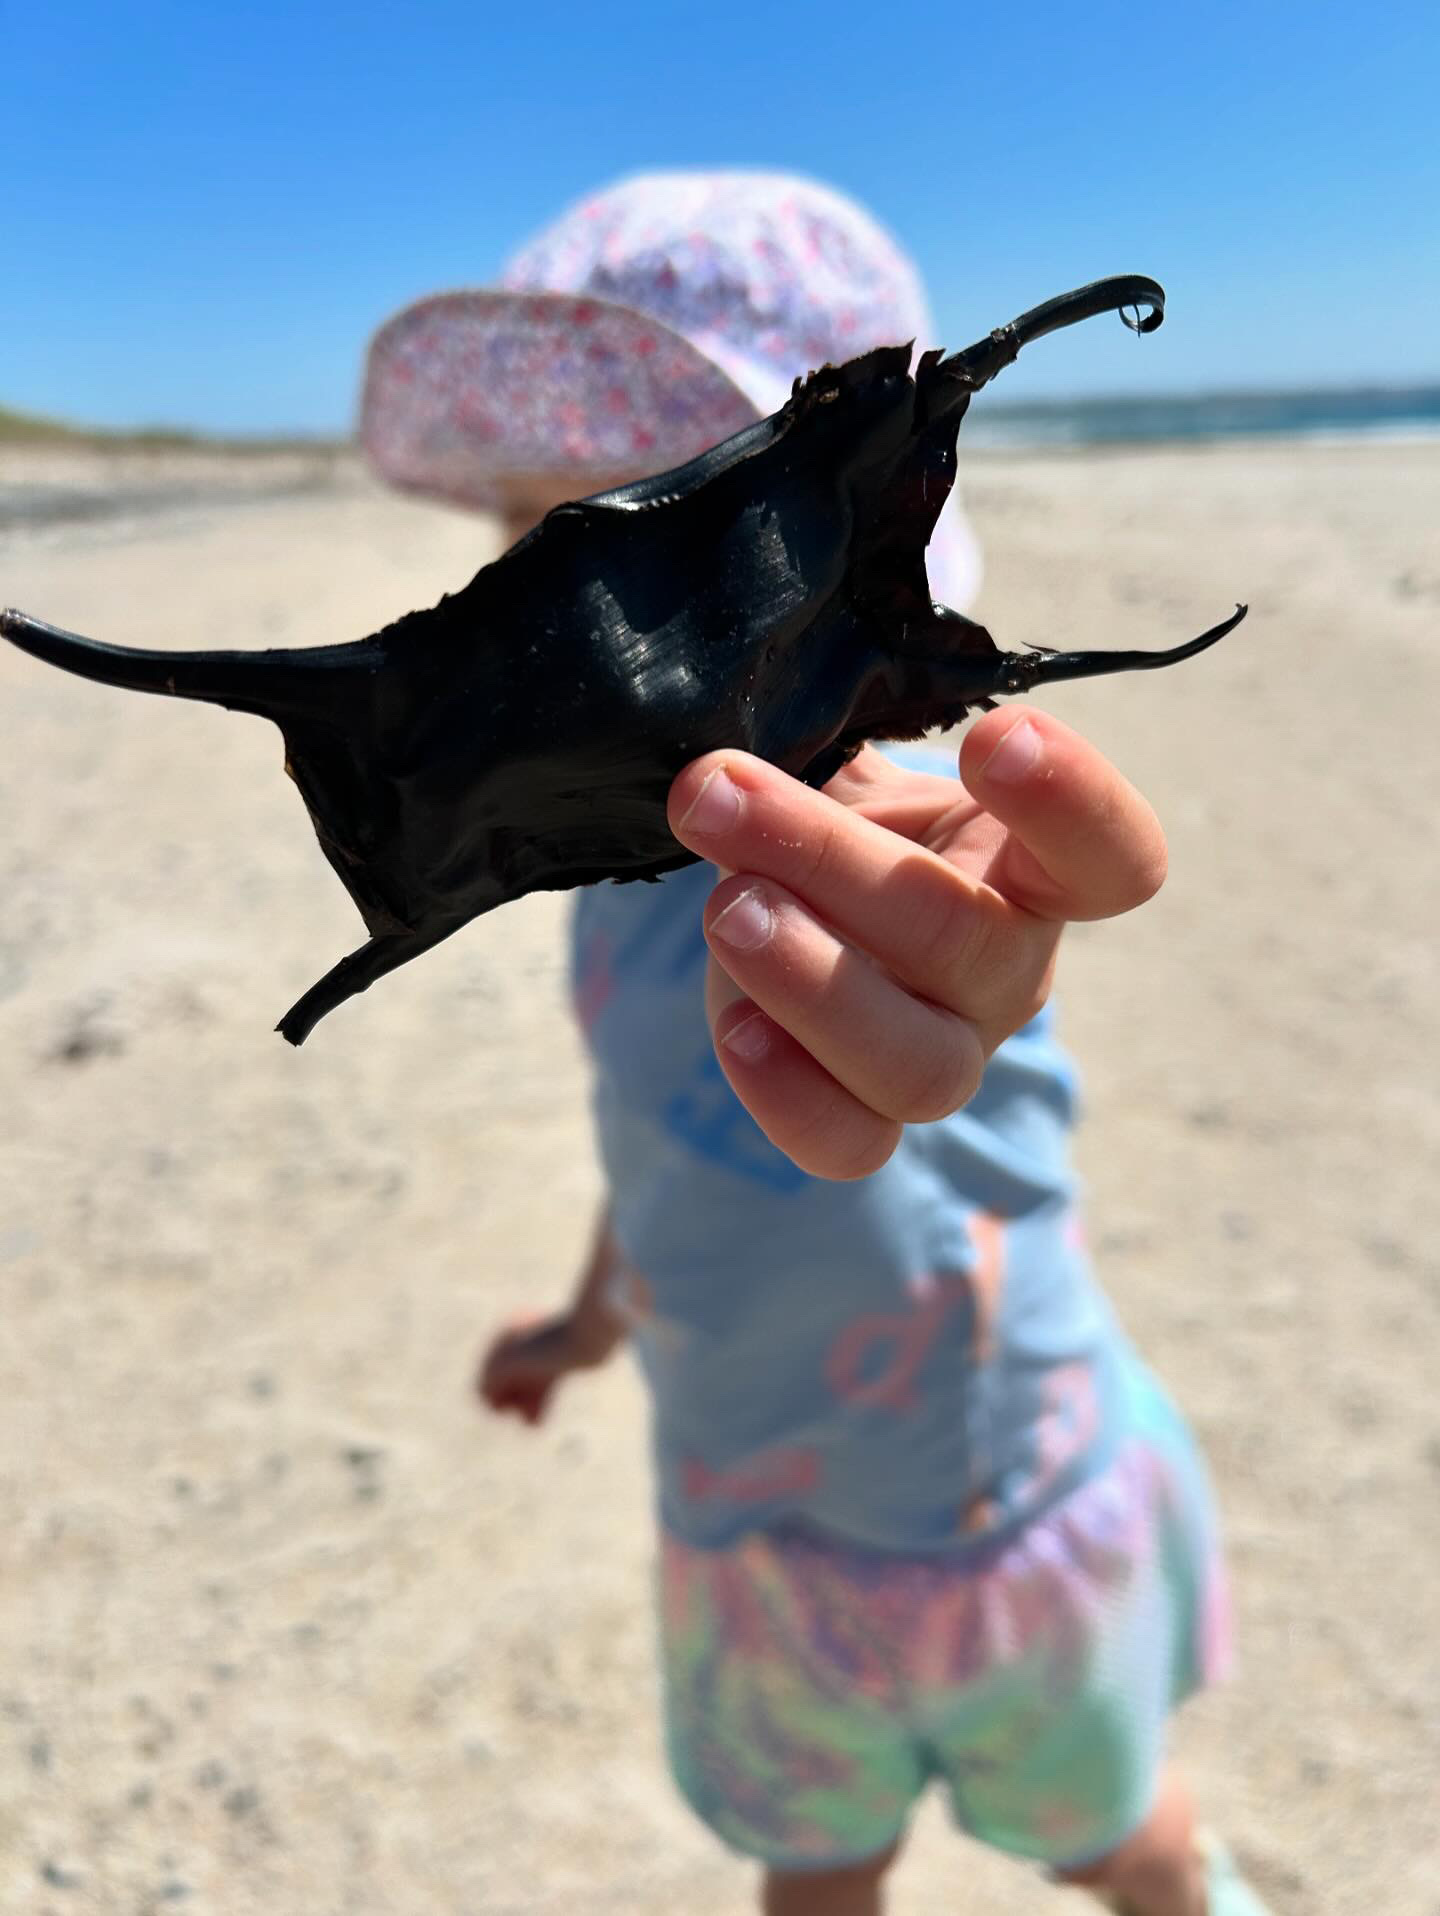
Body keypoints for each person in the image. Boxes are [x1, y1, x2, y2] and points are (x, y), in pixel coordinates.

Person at [362, 173, 1269, 1916]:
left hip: (1004, 1507)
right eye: (536, 558)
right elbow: (658, 1138)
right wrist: (589, 1312)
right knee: (813, 1881)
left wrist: (993, 952)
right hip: (746, 1532)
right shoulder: (605, 887)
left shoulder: (891, 827)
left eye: (685, 566)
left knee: (1121, 1842)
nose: (603, 646)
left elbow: (972, 955)